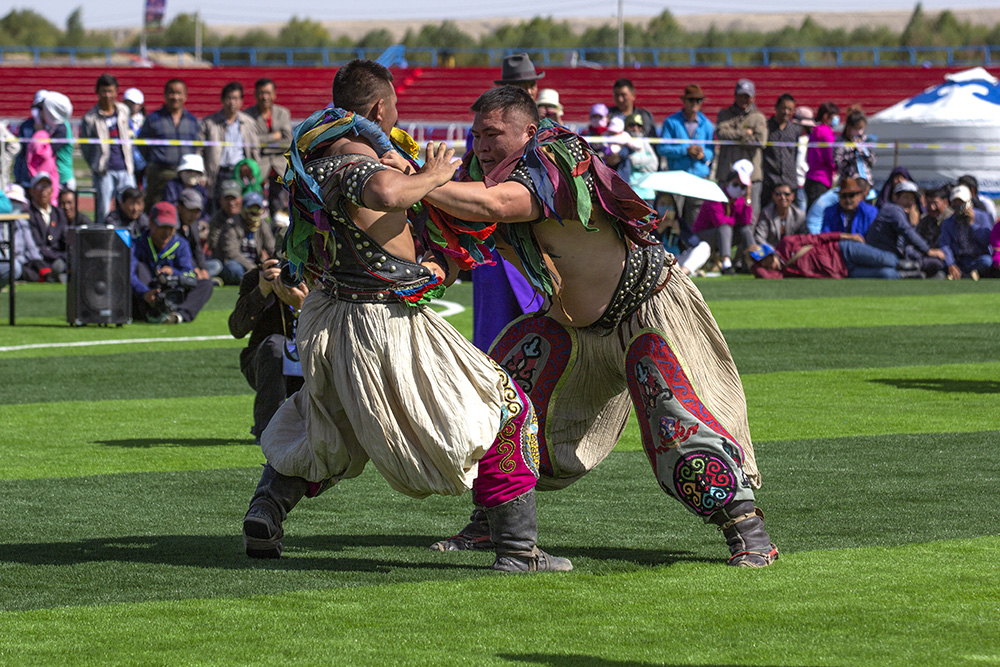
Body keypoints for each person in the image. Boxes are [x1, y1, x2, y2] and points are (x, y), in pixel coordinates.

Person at [417, 86, 777, 567]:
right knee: (499, 406)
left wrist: (417, 181)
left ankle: (748, 531)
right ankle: (494, 524)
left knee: (682, 426)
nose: (482, 144)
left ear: (527, 129)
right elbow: (458, 244)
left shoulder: (557, 155)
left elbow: (499, 206)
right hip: (567, 327)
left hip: (646, 311)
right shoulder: (473, 177)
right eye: (477, 134)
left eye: (494, 134)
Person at [244, 59, 570, 573]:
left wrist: (433, 260)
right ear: (378, 107)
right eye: (393, 104)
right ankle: (516, 550)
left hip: (337, 316)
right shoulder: (353, 164)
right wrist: (436, 175)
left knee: (330, 424)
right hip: (381, 322)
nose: (398, 112)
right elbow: (384, 193)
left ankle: (266, 509)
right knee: (508, 411)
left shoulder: (313, 157)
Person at [229, 257, 307, 444]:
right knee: (275, 345)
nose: (290, 272)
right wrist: (261, 291)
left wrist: (303, 308)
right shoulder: (258, 277)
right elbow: (237, 329)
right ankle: (268, 430)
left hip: (309, 361)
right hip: (264, 365)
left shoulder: (323, 274)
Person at [130, 201, 213, 324]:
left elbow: (188, 273)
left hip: (173, 290)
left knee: (206, 284)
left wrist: (173, 272)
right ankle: (150, 312)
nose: (167, 232)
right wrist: (144, 292)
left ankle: (179, 315)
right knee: (139, 268)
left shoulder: (181, 245)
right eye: (162, 227)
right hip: (148, 291)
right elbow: (129, 274)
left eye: (171, 228)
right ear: (151, 224)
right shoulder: (136, 244)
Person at [657, 84, 715, 250]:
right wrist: (685, 150)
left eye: (698, 100)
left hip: (698, 178)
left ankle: (694, 251)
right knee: (674, 217)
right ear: (684, 101)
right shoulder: (671, 122)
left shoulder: (707, 124)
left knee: (696, 219)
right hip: (677, 178)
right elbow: (662, 148)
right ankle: (673, 251)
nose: (695, 103)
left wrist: (704, 155)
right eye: (691, 99)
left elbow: (711, 151)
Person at [80, 73, 135, 223]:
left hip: (126, 169)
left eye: (110, 91)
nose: (107, 95)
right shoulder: (89, 118)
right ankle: (101, 241)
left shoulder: (123, 110)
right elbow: (86, 148)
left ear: (116, 92)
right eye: (104, 91)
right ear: (97, 92)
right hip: (104, 171)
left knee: (131, 208)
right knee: (103, 210)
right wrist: (96, 165)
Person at [138, 79, 200, 208]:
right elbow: (142, 145)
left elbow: (196, 146)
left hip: (186, 176)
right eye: (171, 93)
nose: (175, 97)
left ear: (185, 96)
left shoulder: (192, 120)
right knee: (157, 210)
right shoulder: (153, 119)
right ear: (165, 95)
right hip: (159, 176)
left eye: (179, 93)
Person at [864, 180, 945, 278]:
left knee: (935, 263)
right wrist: (929, 251)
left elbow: (905, 241)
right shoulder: (892, 210)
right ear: (895, 197)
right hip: (882, 255)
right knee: (934, 263)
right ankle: (909, 271)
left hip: (890, 254)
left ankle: (912, 270)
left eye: (912, 199)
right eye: (906, 197)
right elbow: (907, 232)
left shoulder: (902, 213)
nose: (910, 202)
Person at [748, 233, 913, 280]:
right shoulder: (784, 272)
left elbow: (818, 238)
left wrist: (847, 237)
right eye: (765, 266)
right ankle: (914, 275)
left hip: (841, 250)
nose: (769, 267)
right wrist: (750, 259)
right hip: (844, 272)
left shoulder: (786, 243)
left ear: (771, 254)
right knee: (887, 274)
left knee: (887, 260)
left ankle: (917, 264)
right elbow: (764, 275)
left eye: (767, 261)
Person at [199, 81, 261, 202]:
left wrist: (256, 172)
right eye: (229, 98)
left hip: (240, 173)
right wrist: (203, 174)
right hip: (218, 173)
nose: (232, 102)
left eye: (236, 98)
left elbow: (255, 150)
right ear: (222, 100)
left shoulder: (248, 123)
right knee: (217, 206)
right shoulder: (209, 123)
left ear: (241, 101)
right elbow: (200, 150)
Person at [715, 79, 767, 219]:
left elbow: (760, 141)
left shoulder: (759, 118)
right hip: (727, 173)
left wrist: (733, 136)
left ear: (753, 98)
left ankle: (749, 241)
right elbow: (721, 134)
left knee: (749, 216)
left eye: (747, 96)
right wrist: (745, 133)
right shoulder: (724, 115)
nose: (744, 99)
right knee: (723, 214)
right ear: (735, 95)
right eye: (741, 95)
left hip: (751, 178)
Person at [693, 159, 755, 275]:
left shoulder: (740, 199)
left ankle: (753, 262)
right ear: (727, 183)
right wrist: (735, 221)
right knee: (725, 228)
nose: (739, 189)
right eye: (736, 184)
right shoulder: (715, 195)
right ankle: (726, 264)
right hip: (703, 236)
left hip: (724, 237)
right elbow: (719, 221)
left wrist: (748, 199)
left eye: (742, 187)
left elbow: (746, 221)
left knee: (745, 230)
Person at [246, 78, 293, 216]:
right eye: (261, 93)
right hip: (259, 169)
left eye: (268, 93)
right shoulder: (248, 115)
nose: (265, 97)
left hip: (280, 169)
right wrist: (274, 137)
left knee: (279, 211)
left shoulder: (283, 113)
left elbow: (286, 141)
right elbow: (251, 142)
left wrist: (262, 145)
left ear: (274, 95)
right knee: (257, 211)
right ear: (255, 94)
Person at [213, 189, 275, 285]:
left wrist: (277, 261)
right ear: (243, 208)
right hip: (238, 264)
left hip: (256, 264)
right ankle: (255, 279)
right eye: (251, 208)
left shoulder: (263, 224)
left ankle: (256, 279)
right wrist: (253, 269)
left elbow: (271, 246)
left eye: (257, 209)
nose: (254, 213)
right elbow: (232, 253)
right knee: (234, 268)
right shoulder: (232, 225)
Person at [939, 185, 994, 280]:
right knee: (940, 263)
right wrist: (951, 263)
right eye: (955, 202)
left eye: (961, 202)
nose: (958, 205)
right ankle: (965, 274)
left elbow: (986, 240)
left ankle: (968, 274)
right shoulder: (948, 222)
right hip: (959, 259)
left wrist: (972, 224)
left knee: (987, 261)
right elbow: (945, 244)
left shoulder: (982, 216)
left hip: (977, 257)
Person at [25, 172, 68, 282]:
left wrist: (64, 256)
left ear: (52, 190)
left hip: (59, 257)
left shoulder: (58, 213)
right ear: (32, 190)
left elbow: (65, 239)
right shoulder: (28, 214)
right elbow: (35, 244)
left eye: (46, 186)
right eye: (39, 186)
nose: (43, 191)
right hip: (38, 259)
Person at [0, 184, 46, 285]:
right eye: (12, 201)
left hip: (21, 260)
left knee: (22, 268)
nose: (14, 205)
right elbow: (6, 208)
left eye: (18, 202)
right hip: (7, 259)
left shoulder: (22, 222)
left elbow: (31, 246)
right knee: (15, 268)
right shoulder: (2, 224)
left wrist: (38, 262)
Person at [761, 94, 799, 206]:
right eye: (784, 108)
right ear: (776, 107)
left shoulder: (794, 130)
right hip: (769, 182)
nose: (786, 112)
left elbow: (794, 155)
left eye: (790, 109)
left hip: (789, 182)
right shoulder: (766, 128)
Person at [804, 102, 840, 208]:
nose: (837, 119)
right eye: (834, 116)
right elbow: (831, 156)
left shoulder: (814, 131)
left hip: (811, 176)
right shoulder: (826, 133)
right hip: (821, 179)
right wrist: (838, 167)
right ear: (826, 116)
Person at [820, 173, 878, 237]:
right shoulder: (830, 212)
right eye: (844, 196)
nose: (848, 200)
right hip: (838, 245)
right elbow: (825, 236)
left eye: (851, 195)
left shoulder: (870, 212)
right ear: (839, 197)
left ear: (859, 196)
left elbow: (874, 237)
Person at [753, 182, 807, 247]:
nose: (783, 197)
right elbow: (759, 238)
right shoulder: (766, 214)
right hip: (770, 252)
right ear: (773, 196)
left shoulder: (800, 215)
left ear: (792, 196)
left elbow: (804, 238)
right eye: (778, 194)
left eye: (787, 194)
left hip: (792, 251)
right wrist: (772, 253)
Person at [833, 109, 875, 185]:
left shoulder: (865, 140)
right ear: (849, 127)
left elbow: (872, 162)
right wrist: (852, 152)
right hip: (849, 181)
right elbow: (838, 164)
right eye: (856, 129)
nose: (859, 132)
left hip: (865, 180)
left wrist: (863, 151)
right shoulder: (841, 142)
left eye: (861, 129)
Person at [792, 106, 815, 212]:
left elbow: (801, 162)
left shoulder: (806, 140)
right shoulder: (795, 139)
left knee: (802, 210)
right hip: (795, 181)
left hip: (803, 181)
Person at [122, 87, 147, 184]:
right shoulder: (120, 120)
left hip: (143, 161)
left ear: (140, 105)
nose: (130, 106)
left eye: (133, 103)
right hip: (126, 161)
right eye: (128, 103)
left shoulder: (146, 121)